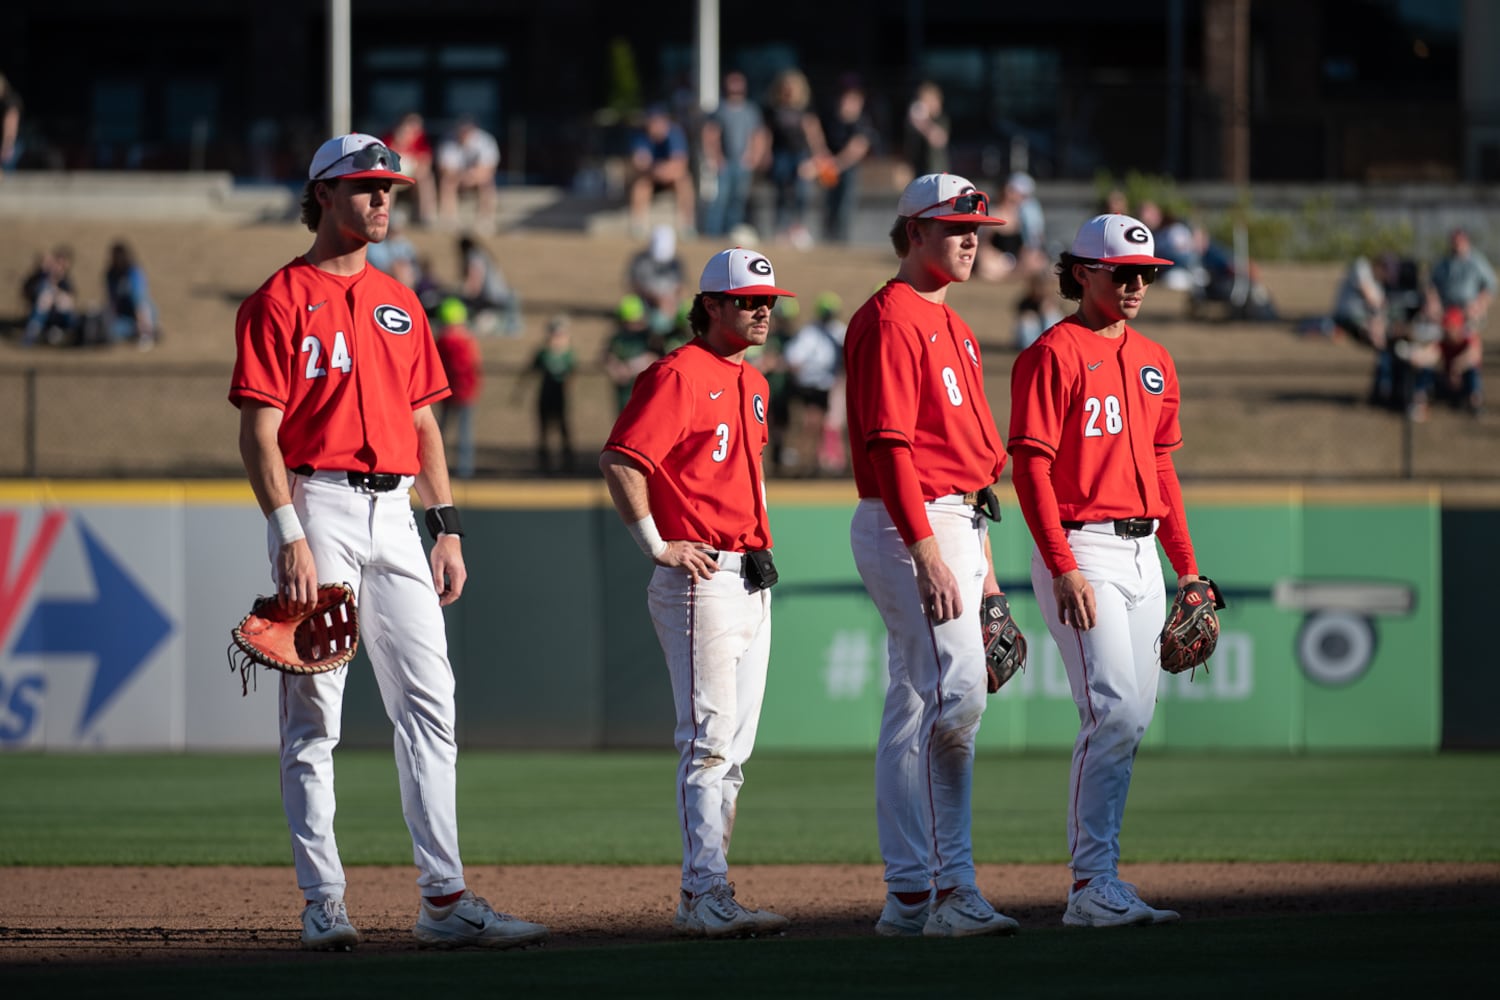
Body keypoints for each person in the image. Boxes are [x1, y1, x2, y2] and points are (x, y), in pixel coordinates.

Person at [228, 132, 547, 952]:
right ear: (323, 195)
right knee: (314, 714)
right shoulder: (277, 299)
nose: (382, 199)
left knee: (430, 705)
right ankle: (322, 900)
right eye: (366, 186)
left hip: (398, 512)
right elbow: (259, 436)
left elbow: (425, 427)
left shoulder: (401, 302)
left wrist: (446, 531)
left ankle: (443, 899)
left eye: (390, 189)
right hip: (320, 503)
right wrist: (287, 532)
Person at [1007, 213, 1203, 928]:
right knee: (1112, 709)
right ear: (1082, 271)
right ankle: (1091, 886)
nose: (1136, 284)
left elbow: (1161, 466)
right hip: (1080, 544)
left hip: (1144, 550)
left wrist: (1187, 569)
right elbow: (1028, 468)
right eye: (1122, 272)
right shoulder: (1052, 354)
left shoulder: (1155, 357)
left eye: (1145, 274)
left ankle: (1105, 879)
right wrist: (1060, 564)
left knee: (1134, 716)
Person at [598, 247, 795, 938]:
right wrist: (657, 545)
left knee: (734, 751)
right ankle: (704, 889)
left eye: (768, 300)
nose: (762, 310)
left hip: (749, 575)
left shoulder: (756, 381)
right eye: (747, 300)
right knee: (708, 742)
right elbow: (622, 460)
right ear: (710, 305)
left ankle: (705, 892)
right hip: (699, 577)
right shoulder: (678, 374)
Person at [843, 173, 1019, 938]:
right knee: (957, 697)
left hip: (957, 520)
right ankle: (949, 890)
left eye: (978, 227)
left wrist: (985, 573)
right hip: (907, 520)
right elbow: (890, 445)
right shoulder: (890, 317)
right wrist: (927, 552)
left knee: (918, 701)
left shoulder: (957, 326)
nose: (973, 238)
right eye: (955, 227)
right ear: (913, 232)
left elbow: (976, 472)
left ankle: (912, 895)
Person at [782, 291, 847, 476]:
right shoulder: (810, 333)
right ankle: (802, 461)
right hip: (808, 385)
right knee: (809, 423)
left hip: (826, 385)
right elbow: (794, 357)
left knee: (823, 425)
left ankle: (817, 461)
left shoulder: (838, 331)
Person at [764, 68, 830, 249]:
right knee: (781, 193)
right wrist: (765, 154)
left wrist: (820, 155)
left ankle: (798, 228)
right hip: (780, 155)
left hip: (801, 156)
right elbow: (767, 134)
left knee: (801, 192)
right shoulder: (773, 110)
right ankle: (780, 230)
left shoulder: (805, 109)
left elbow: (813, 133)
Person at [700, 71, 769, 238]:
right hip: (725, 162)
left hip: (743, 163)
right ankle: (712, 234)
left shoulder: (751, 110)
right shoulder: (720, 110)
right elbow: (710, 134)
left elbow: (758, 135)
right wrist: (715, 157)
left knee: (738, 200)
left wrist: (755, 157)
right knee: (720, 199)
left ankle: (731, 233)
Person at [820, 76, 877, 244]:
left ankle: (840, 239)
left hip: (846, 168)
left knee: (844, 205)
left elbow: (857, 148)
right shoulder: (831, 118)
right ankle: (827, 237)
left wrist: (836, 164)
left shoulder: (862, 122)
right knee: (829, 204)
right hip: (829, 167)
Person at [433, 297, 483, 479]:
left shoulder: (452, 341)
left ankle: (462, 469)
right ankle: (445, 467)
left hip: (460, 392)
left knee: (460, 432)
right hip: (452, 391)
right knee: (442, 431)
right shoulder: (458, 341)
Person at [627, 105, 695, 237]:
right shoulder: (641, 136)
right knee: (641, 185)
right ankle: (638, 226)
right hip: (651, 177)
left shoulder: (675, 133)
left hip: (671, 178)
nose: (656, 126)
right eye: (653, 122)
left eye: (659, 122)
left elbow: (680, 164)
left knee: (684, 182)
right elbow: (638, 163)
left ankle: (687, 226)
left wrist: (661, 169)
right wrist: (655, 170)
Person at [524, 314, 577, 473]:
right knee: (543, 431)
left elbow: (572, 374)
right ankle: (544, 464)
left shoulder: (568, 354)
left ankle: (568, 463)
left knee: (563, 429)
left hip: (560, 397)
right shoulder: (543, 353)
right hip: (544, 396)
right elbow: (530, 371)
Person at [979, 172, 1047, 283]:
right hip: (997, 260)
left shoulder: (1026, 215)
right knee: (988, 265)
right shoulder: (992, 213)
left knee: (1036, 262)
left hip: (1018, 261)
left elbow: (1033, 244)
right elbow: (983, 245)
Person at [436, 117, 500, 231]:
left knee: (487, 182)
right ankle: (449, 219)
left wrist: (471, 176)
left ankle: (485, 220)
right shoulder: (448, 141)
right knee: (447, 182)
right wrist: (462, 176)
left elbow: (488, 168)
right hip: (456, 178)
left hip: (476, 177)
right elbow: (445, 169)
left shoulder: (486, 140)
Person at [602, 293, 661, 411]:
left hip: (646, 394)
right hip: (624, 395)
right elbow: (607, 356)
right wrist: (615, 368)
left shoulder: (649, 337)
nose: (631, 327)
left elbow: (656, 357)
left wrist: (631, 368)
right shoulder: (617, 338)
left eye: (634, 323)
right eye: (626, 323)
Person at [1429, 227, 1497, 329]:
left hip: (1469, 311)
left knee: (1466, 333)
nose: (1457, 245)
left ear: (1467, 242)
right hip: (1446, 310)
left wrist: (1479, 304)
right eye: (1454, 242)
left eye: (1460, 241)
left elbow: (1491, 285)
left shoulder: (1477, 262)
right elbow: (1431, 284)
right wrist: (1433, 302)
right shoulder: (1443, 263)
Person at [455, 234, 520, 336]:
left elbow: (475, 277)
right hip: (503, 293)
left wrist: (466, 292)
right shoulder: (483, 254)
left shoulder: (473, 256)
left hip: (493, 296)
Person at [627, 224, 686, 335]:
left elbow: (681, 287)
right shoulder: (640, 261)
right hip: (647, 303)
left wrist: (672, 301)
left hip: (671, 304)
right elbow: (634, 286)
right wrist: (656, 299)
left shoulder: (676, 263)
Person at [102, 240, 159, 348]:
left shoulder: (134, 272)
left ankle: (146, 331)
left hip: (142, 311)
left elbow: (139, 298)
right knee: (113, 330)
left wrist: (142, 320)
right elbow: (112, 301)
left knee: (138, 301)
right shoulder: (110, 275)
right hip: (124, 315)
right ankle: (138, 331)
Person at [382, 111, 436, 225]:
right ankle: (387, 216)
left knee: (426, 179)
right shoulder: (389, 138)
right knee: (389, 183)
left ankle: (424, 216)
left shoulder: (420, 140)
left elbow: (426, 161)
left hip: (412, 175)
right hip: (393, 175)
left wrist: (419, 167)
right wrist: (398, 143)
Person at [21, 245, 79, 347]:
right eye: (58, 263)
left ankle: (74, 334)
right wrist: (40, 272)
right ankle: (31, 335)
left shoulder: (66, 282)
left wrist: (58, 294)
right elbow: (26, 293)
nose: (59, 267)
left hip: (60, 320)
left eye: (63, 264)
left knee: (63, 300)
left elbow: (72, 300)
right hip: (44, 318)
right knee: (45, 297)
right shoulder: (42, 278)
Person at [901, 82, 950, 180]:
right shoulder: (914, 122)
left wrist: (923, 123)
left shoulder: (940, 119)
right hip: (919, 170)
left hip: (937, 172)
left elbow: (938, 140)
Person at [1014, 269, 1064, 350]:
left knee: (1051, 314)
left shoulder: (1051, 300)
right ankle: (1031, 346)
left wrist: (1047, 307)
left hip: (1048, 336)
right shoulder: (1026, 302)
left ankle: (1051, 343)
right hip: (1030, 340)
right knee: (1028, 320)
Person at [0, 72, 21, 176]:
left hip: (11, 141)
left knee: (7, 171)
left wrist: (7, 145)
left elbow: (11, 126)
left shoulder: (10, 102)